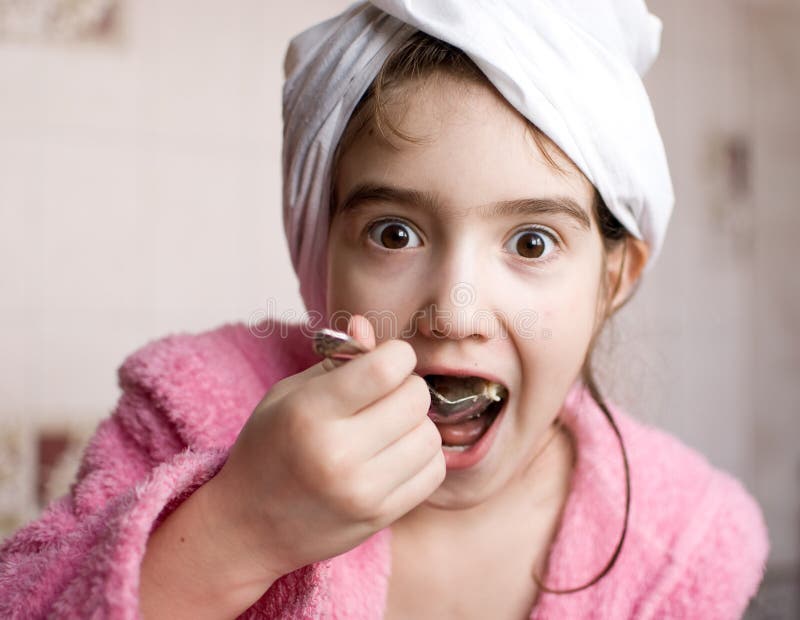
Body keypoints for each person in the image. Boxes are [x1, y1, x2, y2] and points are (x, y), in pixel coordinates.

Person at [0, 1, 769, 618]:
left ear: (615, 275)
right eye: (394, 233)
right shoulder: (189, 411)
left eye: (532, 243)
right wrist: (236, 531)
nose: (454, 311)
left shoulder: (685, 544)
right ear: (320, 253)